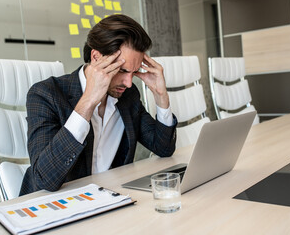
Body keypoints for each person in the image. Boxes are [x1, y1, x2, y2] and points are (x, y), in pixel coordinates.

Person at [19, 14, 177, 195]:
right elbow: (43, 179)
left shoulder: (128, 96)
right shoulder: (46, 94)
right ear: (96, 57)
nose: (128, 82)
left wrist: (160, 95)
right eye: (123, 70)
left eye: (134, 72)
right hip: (53, 206)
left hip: (108, 199)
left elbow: (163, 148)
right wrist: (88, 102)